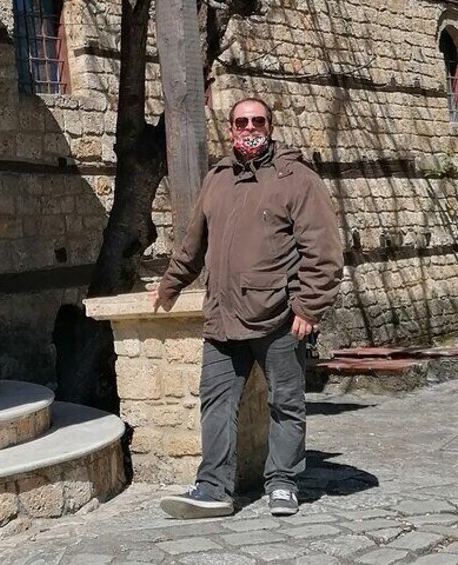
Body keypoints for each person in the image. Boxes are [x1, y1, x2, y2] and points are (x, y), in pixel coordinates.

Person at [152, 97, 343, 518]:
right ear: (232, 129)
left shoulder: (297, 179)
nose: (250, 127)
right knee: (215, 402)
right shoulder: (217, 178)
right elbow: (193, 242)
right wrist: (170, 285)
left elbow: (324, 251)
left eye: (258, 121)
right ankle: (213, 487)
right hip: (222, 317)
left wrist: (309, 307)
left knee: (286, 403)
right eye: (242, 122)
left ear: (270, 127)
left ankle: (283, 483)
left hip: (279, 317)